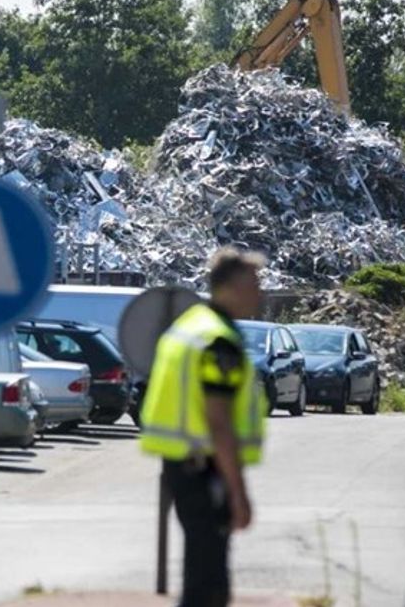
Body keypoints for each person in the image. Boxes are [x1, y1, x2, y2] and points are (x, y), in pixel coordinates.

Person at [139, 247, 267, 607]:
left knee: (201, 576)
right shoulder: (219, 342)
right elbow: (219, 421)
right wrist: (238, 491)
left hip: (183, 467)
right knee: (209, 585)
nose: (260, 292)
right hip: (204, 471)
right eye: (253, 283)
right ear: (228, 287)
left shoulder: (191, 326)